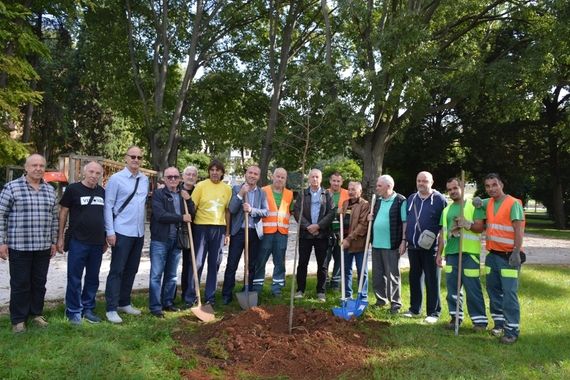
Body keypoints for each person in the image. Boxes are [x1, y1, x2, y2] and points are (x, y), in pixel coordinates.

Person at [0, 154, 58, 333]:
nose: (38, 168)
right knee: (20, 283)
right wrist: (2, 242)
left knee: (39, 283)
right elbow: (1, 216)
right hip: (19, 246)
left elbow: (54, 218)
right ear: (26, 167)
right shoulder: (11, 188)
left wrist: (53, 242)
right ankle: (18, 320)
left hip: (42, 246)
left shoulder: (50, 190)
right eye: (34, 165)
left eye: (41, 165)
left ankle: (36, 314)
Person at [435, 178, 488, 331]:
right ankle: (455, 318)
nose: (452, 191)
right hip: (451, 253)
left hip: (469, 253)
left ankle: (479, 322)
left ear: (462, 187)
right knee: (453, 289)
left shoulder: (473, 205)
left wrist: (466, 224)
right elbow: (442, 233)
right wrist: (439, 254)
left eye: (455, 188)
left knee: (472, 287)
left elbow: (480, 227)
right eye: (449, 189)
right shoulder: (446, 210)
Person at [57, 161, 106, 325]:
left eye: (97, 173)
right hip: (78, 241)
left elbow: (104, 216)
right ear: (84, 172)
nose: (94, 175)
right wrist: (60, 237)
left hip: (97, 243)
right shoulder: (73, 189)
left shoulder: (102, 192)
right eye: (91, 171)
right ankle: (73, 311)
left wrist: (106, 238)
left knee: (93, 278)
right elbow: (63, 212)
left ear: (101, 175)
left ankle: (88, 309)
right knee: (74, 278)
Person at [104, 146, 149, 324]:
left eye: (139, 157)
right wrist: (110, 231)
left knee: (132, 269)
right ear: (126, 158)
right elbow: (108, 206)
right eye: (133, 156)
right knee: (117, 270)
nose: (136, 160)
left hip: (138, 232)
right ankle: (111, 308)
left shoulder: (144, 179)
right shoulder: (116, 179)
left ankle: (124, 302)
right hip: (121, 231)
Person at [479, 173, 525, 344]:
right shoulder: (489, 202)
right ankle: (499, 324)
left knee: (509, 294)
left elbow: (519, 230)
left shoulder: (513, 204)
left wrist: (516, 252)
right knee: (494, 291)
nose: (491, 188)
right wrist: (476, 201)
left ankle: (512, 330)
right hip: (493, 256)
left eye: (494, 185)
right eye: (487, 186)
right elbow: (477, 202)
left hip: (508, 256)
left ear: (502, 185)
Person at [148, 167, 194, 318]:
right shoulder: (158, 194)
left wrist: (189, 200)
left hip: (177, 240)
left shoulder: (182, 195)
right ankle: (155, 307)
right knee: (156, 275)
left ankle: (168, 302)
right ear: (164, 179)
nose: (173, 179)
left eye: (175, 177)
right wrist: (181, 218)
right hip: (160, 239)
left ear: (179, 178)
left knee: (172, 275)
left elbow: (191, 214)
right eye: (169, 177)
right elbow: (160, 215)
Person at [185, 159, 232, 307]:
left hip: (219, 229)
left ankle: (210, 297)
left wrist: (227, 233)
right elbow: (192, 207)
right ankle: (191, 296)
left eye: (218, 170)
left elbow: (227, 212)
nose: (215, 172)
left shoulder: (227, 189)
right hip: (201, 228)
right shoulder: (201, 186)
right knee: (197, 262)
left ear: (222, 172)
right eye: (212, 170)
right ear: (209, 172)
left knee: (214, 263)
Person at [404, 171, 446, 324]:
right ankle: (414, 309)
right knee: (414, 277)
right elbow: (407, 222)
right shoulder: (411, 198)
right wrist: (404, 240)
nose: (421, 183)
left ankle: (433, 312)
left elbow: (443, 229)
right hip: (413, 246)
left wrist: (440, 252)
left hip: (431, 248)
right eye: (419, 180)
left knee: (432, 279)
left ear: (432, 182)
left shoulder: (440, 200)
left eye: (425, 181)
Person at [222, 165, 268, 304]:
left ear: (258, 177)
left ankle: (247, 290)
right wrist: (241, 194)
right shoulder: (236, 189)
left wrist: (252, 210)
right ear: (246, 174)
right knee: (232, 264)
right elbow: (231, 209)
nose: (252, 176)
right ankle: (226, 294)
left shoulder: (261, 193)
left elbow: (266, 212)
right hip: (238, 232)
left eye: (255, 174)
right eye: (250, 173)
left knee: (251, 265)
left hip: (254, 233)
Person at [294, 169, 335, 302]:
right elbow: (297, 212)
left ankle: (321, 291)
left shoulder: (327, 195)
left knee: (322, 265)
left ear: (321, 179)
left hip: (321, 235)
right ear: (308, 179)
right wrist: (308, 226)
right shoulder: (302, 194)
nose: (314, 179)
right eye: (312, 177)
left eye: (317, 177)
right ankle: (300, 290)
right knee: (302, 263)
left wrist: (318, 226)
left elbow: (331, 213)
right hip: (305, 235)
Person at [252, 168, 293, 296]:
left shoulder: (289, 194)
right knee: (261, 259)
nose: (280, 179)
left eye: (282, 177)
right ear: (272, 177)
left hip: (281, 232)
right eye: (278, 176)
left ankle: (277, 287)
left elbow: (290, 212)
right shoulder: (263, 191)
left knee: (279, 261)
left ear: (285, 180)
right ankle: (257, 286)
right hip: (266, 232)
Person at [370, 175, 407, 314]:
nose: (377, 188)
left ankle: (395, 304)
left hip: (392, 244)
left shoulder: (400, 201)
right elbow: (374, 218)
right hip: (376, 244)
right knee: (378, 274)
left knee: (392, 275)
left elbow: (405, 222)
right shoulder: (378, 201)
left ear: (388, 186)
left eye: (379, 186)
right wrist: (370, 218)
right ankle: (381, 300)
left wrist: (404, 241)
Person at [340, 182, 370, 300]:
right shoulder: (345, 203)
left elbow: (363, 225)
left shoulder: (364, 205)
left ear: (360, 191)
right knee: (346, 270)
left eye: (353, 189)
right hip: (345, 243)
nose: (351, 192)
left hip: (359, 244)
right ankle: (347, 295)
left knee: (362, 271)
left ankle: (362, 297)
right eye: (349, 189)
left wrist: (349, 238)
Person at [324, 172, 349, 290]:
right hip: (326, 230)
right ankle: (325, 280)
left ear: (342, 182)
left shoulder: (347, 194)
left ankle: (336, 283)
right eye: (334, 181)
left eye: (338, 181)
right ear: (330, 181)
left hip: (341, 230)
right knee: (325, 257)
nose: (336, 183)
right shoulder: (324, 193)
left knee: (339, 257)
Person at [179, 165, 198, 304]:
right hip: (176, 230)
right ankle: (168, 297)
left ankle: (187, 294)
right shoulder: (176, 189)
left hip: (192, 231)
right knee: (172, 266)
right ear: (183, 176)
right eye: (188, 174)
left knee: (189, 263)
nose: (190, 177)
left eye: (193, 175)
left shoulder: (198, 191)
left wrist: (189, 199)